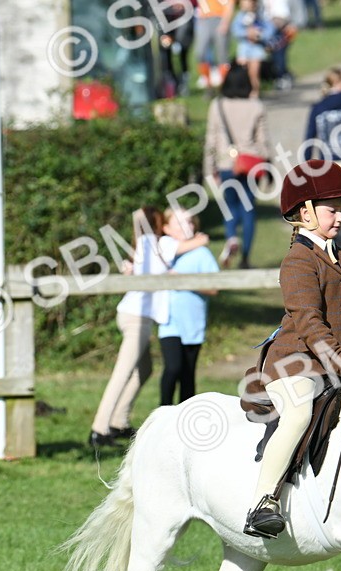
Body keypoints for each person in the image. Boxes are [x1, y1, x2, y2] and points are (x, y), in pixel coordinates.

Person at [242, 160, 341, 538]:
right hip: (294, 364)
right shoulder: (297, 261)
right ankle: (263, 502)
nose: (340, 217)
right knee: (298, 415)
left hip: (335, 363)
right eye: (332, 210)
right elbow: (310, 325)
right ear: (306, 213)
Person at [90, 206, 210, 447]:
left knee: (144, 370)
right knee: (123, 373)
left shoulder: (147, 245)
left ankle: (119, 421)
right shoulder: (159, 243)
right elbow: (191, 243)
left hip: (136, 317)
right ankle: (99, 430)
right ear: (159, 225)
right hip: (137, 318)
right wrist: (202, 239)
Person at [205, 63, 270, 270]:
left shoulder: (217, 105)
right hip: (251, 163)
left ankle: (232, 236)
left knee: (230, 205)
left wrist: (209, 168)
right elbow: (263, 141)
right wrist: (268, 163)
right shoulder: (256, 106)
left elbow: (211, 139)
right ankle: (245, 258)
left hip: (226, 162)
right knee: (248, 208)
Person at [157, 210, 219, 405]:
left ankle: (186, 416)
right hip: (169, 322)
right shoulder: (165, 251)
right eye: (179, 223)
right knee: (172, 367)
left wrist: (185, 282)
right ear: (166, 229)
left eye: (189, 222)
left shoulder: (202, 254)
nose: (186, 227)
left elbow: (214, 287)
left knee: (187, 374)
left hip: (193, 324)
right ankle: (163, 411)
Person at [231, 0, 274, 97]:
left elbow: (269, 30)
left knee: (254, 72)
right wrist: (247, 33)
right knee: (243, 71)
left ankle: (255, 91)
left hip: (256, 49)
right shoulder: (240, 17)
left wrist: (259, 35)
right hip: (244, 49)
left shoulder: (260, 16)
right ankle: (244, 90)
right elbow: (235, 31)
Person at [194, 0, 234, 91]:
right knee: (200, 53)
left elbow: (229, 5)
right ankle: (208, 84)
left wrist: (225, 22)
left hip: (220, 18)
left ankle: (223, 86)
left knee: (222, 55)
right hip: (204, 19)